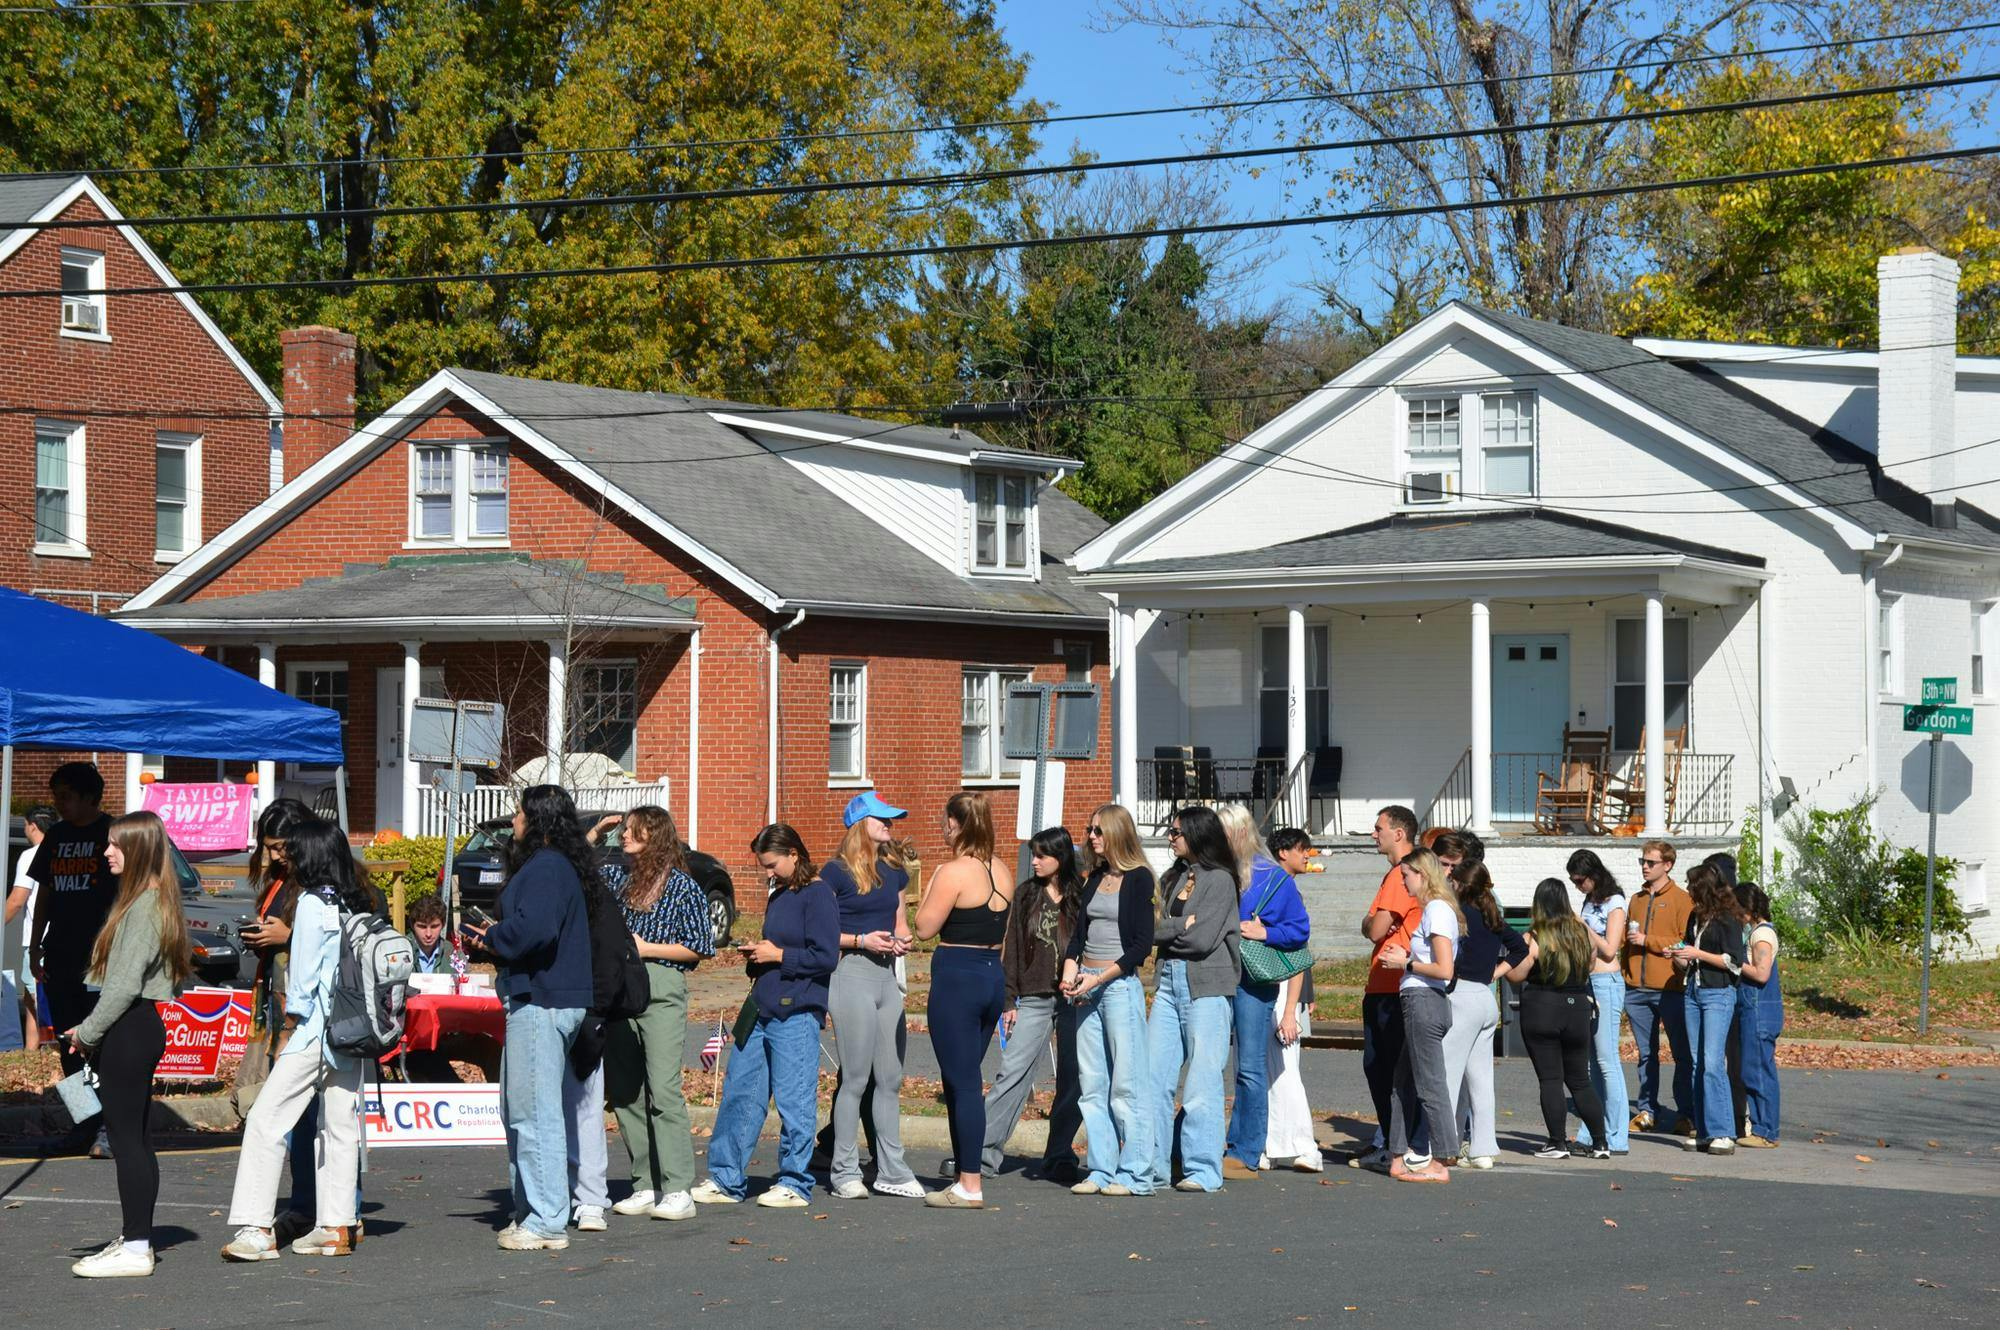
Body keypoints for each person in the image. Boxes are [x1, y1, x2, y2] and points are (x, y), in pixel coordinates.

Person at [220, 818, 369, 1262]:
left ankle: (256, 1229)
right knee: (339, 1129)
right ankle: (335, 1226)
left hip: (313, 1033)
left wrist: (287, 1031)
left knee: (266, 1120)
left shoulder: (308, 903)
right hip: (352, 1033)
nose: (285, 857)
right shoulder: (352, 901)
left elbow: (302, 985)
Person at [61, 811, 192, 1277]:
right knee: (136, 1139)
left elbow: (120, 987)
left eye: (115, 844)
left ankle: (136, 1246)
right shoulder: (150, 901)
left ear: (137, 850)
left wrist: (87, 1031)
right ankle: (137, 1237)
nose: (106, 851)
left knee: (126, 1141)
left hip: (130, 1028)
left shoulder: (143, 907)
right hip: (137, 1026)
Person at [465, 785, 595, 1250]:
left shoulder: (546, 867)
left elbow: (534, 931)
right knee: (522, 1110)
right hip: (541, 996)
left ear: (537, 820)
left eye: (519, 813)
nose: (513, 820)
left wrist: (494, 935)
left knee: (533, 1114)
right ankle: (532, 1211)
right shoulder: (556, 866)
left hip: (542, 999)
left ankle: (546, 1220)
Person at [692, 824, 837, 1209]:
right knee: (741, 1094)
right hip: (761, 1007)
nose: (768, 873)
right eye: (764, 866)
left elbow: (825, 956)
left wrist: (779, 956)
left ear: (794, 853)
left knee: (794, 1100)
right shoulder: (781, 894)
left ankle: (795, 1181)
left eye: (772, 864)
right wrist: (759, 952)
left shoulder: (818, 894)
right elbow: (782, 944)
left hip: (797, 1010)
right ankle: (726, 1178)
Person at [602, 804, 715, 1220]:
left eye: (635, 831)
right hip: (619, 988)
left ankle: (678, 1187)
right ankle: (645, 1183)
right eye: (624, 830)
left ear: (656, 837)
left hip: (661, 984)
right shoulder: (616, 878)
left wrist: (646, 948)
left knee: (663, 1089)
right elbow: (578, 872)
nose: (625, 836)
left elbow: (700, 946)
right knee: (625, 1090)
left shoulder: (683, 887)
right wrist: (595, 832)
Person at [913, 791, 1012, 1209]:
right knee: (963, 1079)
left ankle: (971, 1182)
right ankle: (963, 1174)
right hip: (991, 975)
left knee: (964, 1082)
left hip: (958, 976)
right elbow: (1003, 936)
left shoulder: (953, 871)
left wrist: (934, 881)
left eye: (945, 820)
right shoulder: (1003, 869)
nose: (942, 826)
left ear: (955, 824)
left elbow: (923, 927)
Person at [823, 793, 925, 1201]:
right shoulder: (833, 874)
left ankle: (892, 1170)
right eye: (882, 818)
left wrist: (903, 939)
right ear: (860, 823)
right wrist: (861, 939)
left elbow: (901, 921)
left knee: (891, 1079)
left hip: (886, 979)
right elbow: (819, 933)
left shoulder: (894, 869)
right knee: (855, 1079)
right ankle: (844, 1171)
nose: (890, 824)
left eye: (892, 818)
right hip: (851, 975)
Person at [1146, 805, 1242, 1194]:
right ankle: (1150, 1166)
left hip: (1207, 986)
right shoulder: (1176, 878)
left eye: (1176, 833)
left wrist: (1170, 931)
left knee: (1202, 1082)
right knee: (1153, 1078)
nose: (1171, 838)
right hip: (1168, 983)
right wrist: (1175, 926)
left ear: (1198, 836)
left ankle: (1202, 1169)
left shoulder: (1219, 881)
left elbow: (1202, 940)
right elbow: (1151, 930)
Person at [982, 824, 1085, 1182]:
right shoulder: (1026, 893)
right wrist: (1008, 999)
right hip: (1034, 996)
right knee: (1012, 1072)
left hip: (1075, 998)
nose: (1035, 861)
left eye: (1043, 855)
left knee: (1073, 1078)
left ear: (1061, 857)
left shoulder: (1081, 894)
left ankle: (1059, 1153)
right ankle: (981, 1155)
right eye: (1034, 854)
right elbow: (1010, 948)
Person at [1062, 804, 1156, 1196]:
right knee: (1092, 1083)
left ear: (1117, 834)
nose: (1091, 836)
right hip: (1087, 984)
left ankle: (1135, 1173)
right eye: (1089, 830)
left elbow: (1141, 946)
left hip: (1117, 987)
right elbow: (1079, 935)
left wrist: (1099, 978)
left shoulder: (1139, 880)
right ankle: (1101, 1169)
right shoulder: (1094, 879)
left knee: (1127, 1084)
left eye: (1098, 830)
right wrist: (1071, 969)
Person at [25, 761, 118, 1157]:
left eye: (66, 796)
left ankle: (111, 1128)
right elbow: (43, 892)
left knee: (103, 1044)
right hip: (60, 955)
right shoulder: (58, 836)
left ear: (89, 797)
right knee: (69, 1044)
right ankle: (84, 1123)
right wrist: (34, 944)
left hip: (102, 958)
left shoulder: (112, 835)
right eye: (56, 796)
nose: (58, 804)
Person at [1218, 804, 1308, 1180]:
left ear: (1238, 834)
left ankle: (1247, 1149)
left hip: (1254, 981)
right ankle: (1224, 1143)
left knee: (1250, 1067)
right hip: (1218, 976)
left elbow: (1300, 932)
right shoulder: (1219, 872)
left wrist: (1265, 932)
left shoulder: (1273, 878)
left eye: (1220, 834)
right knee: (1213, 1064)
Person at [1506, 879, 1609, 1160]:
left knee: (1551, 1079)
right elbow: (1591, 964)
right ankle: (1601, 1143)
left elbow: (1517, 974)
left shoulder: (1536, 936)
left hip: (1543, 1007)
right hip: (1578, 1009)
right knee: (1580, 1081)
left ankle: (1557, 1142)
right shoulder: (1581, 934)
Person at [1376, 848, 1460, 1184]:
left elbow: (1444, 969)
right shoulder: (1434, 910)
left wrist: (1405, 963)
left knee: (1429, 1082)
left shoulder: (1438, 909)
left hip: (1425, 1000)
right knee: (1403, 1081)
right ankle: (1397, 1155)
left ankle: (1441, 1160)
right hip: (1420, 998)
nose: (1403, 882)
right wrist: (1408, 955)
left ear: (1422, 874)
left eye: (1406, 876)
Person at [1438, 859, 1524, 1170]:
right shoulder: (1492, 917)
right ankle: (1483, 1148)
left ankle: (1443, 1145)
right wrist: (1495, 972)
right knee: (1480, 1079)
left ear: (1458, 884)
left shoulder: (1457, 916)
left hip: (1460, 995)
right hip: (1485, 1000)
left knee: (1447, 1074)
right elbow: (1520, 949)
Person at [1352, 805, 1420, 1171]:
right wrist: (1373, 922)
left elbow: (1375, 929)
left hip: (1391, 984)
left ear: (1399, 833)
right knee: (1388, 1068)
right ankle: (1398, 1142)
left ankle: (1398, 1145)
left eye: (1379, 828)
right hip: (1389, 981)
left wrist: (1373, 923)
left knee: (1384, 1068)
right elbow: (1373, 923)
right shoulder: (1402, 873)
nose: (1373, 834)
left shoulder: (1401, 875)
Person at [1258, 829, 1322, 1173]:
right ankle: (1268, 1142)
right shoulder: (1275, 887)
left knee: (1285, 1067)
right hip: (1269, 981)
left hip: (1284, 988)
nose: (1307, 855)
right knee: (1263, 1069)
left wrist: (1291, 1008)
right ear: (1283, 852)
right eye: (1301, 849)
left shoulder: (1284, 890)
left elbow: (1298, 950)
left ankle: (1304, 1145)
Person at [1622, 839, 1694, 1136]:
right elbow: (1628, 937)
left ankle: (1686, 1113)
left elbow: (1683, 941)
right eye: (1643, 862)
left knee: (1681, 1053)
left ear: (1668, 865)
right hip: (1636, 989)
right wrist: (1626, 968)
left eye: (1651, 862)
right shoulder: (1636, 899)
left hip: (1669, 987)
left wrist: (1648, 941)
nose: (1645, 867)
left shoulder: (1682, 899)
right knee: (1646, 1054)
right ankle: (1647, 1110)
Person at [1675, 862, 1747, 1155]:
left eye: (1693, 885)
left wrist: (1698, 954)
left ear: (1707, 888)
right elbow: (1689, 951)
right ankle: (1704, 1130)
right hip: (1693, 989)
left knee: (1713, 1062)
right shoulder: (1696, 916)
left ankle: (1724, 1132)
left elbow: (1734, 962)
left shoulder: (1728, 918)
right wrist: (1679, 954)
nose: (1690, 890)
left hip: (1718, 992)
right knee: (1697, 1063)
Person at [1567, 849, 1630, 1156]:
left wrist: (1584, 927)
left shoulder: (1615, 903)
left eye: (1580, 880)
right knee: (1590, 1062)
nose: (1578, 886)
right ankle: (1593, 1131)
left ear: (1593, 876)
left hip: (1606, 981)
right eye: (1573, 882)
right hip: (1587, 980)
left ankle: (1618, 1134)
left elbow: (1609, 949)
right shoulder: (1589, 901)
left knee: (1607, 1061)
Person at [1734, 884, 1784, 1149]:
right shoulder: (1755, 932)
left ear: (1749, 908)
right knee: (1754, 1068)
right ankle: (1761, 1127)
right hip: (1756, 1008)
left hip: (1759, 1009)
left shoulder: (1762, 934)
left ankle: (1766, 1131)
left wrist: (1732, 961)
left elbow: (1761, 973)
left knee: (1759, 1071)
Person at [6, 805, 54, 1052]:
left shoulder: (31, 855)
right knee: (31, 997)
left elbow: (17, 899)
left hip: (38, 941)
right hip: (58, 938)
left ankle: (47, 1049)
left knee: (38, 997)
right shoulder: (60, 852)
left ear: (32, 826)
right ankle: (32, 1049)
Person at [407, 896, 452, 974]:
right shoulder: (401, 951)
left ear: (443, 924)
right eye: (422, 927)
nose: (428, 934)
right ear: (412, 925)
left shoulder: (451, 952)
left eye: (434, 927)